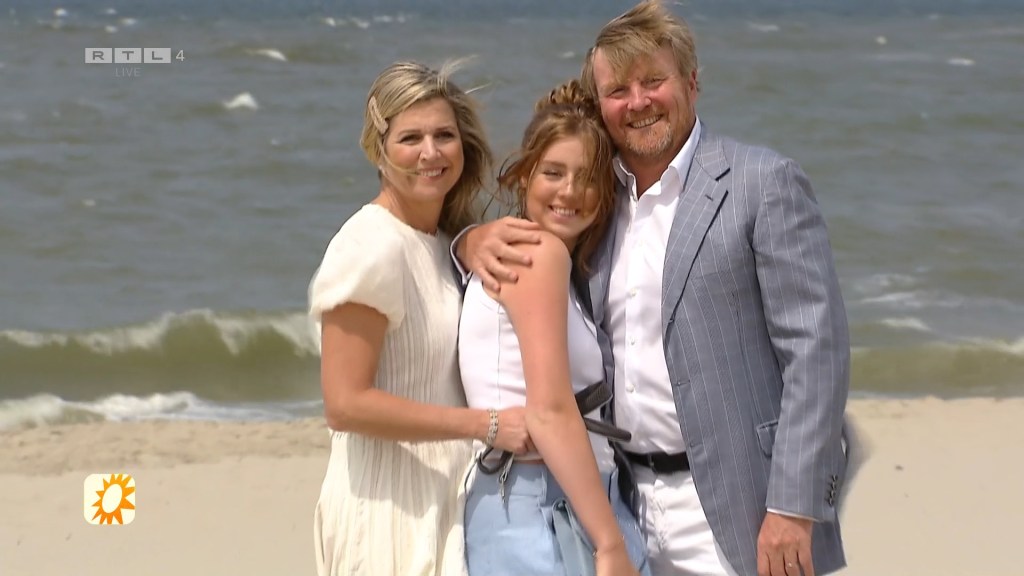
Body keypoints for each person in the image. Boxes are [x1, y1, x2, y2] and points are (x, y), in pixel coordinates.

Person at [455, 2, 853, 575]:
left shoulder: (761, 183)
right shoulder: (596, 201)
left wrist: (793, 506)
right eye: (618, 90)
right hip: (623, 500)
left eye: (653, 81)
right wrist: (468, 240)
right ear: (601, 104)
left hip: (740, 504)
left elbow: (817, 353)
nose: (638, 102)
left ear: (691, 82)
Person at [307, 60, 531, 576]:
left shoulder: (440, 241)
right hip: (385, 511)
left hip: (444, 500)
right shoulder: (369, 246)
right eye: (410, 138)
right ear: (379, 149)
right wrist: (487, 425)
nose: (431, 153)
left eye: (444, 135)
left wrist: (467, 240)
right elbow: (345, 404)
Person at [458, 80, 649, 576]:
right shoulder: (538, 255)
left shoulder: (525, 256)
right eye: (553, 172)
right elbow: (548, 410)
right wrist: (609, 543)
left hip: (530, 500)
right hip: (545, 505)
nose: (569, 191)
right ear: (523, 176)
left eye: (587, 178)